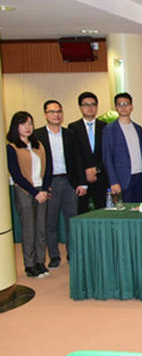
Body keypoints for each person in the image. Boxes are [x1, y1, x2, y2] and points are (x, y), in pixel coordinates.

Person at [34, 100, 86, 268]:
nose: (56, 115)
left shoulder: (70, 134)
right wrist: (42, 185)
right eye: (52, 112)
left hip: (69, 182)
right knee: (50, 222)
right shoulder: (37, 135)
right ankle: (54, 256)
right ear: (45, 114)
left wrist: (82, 183)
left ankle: (72, 253)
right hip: (50, 183)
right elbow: (35, 162)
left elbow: (78, 159)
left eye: (58, 111)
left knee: (72, 220)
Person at [6, 112, 52, 278]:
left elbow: (48, 168)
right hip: (25, 191)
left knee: (41, 228)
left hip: (42, 190)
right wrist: (35, 193)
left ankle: (40, 262)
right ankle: (30, 265)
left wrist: (44, 190)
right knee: (29, 229)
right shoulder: (12, 147)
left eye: (30, 123)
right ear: (16, 126)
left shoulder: (38, 145)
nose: (28, 127)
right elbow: (16, 175)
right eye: (23, 124)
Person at [68, 92, 108, 212]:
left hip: (101, 177)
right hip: (82, 179)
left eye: (93, 104)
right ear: (80, 107)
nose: (90, 108)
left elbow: (106, 153)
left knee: (103, 212)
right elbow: (75, 155)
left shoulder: (105, 127)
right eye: (86, 105)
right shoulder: (73, 128)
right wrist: (86, 171)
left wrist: (96, 169)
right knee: (82, 212)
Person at [102, 93, 142, 202]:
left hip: (139, 177)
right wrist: (113, 181)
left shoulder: (138, 128)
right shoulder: (109, 129)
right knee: (124, 211)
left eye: (126, 104)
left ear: (131, 106)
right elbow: (107, 158)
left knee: (138, 209)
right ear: (115, 107)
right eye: (120, 104)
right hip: (122, 179)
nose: (123, 107)